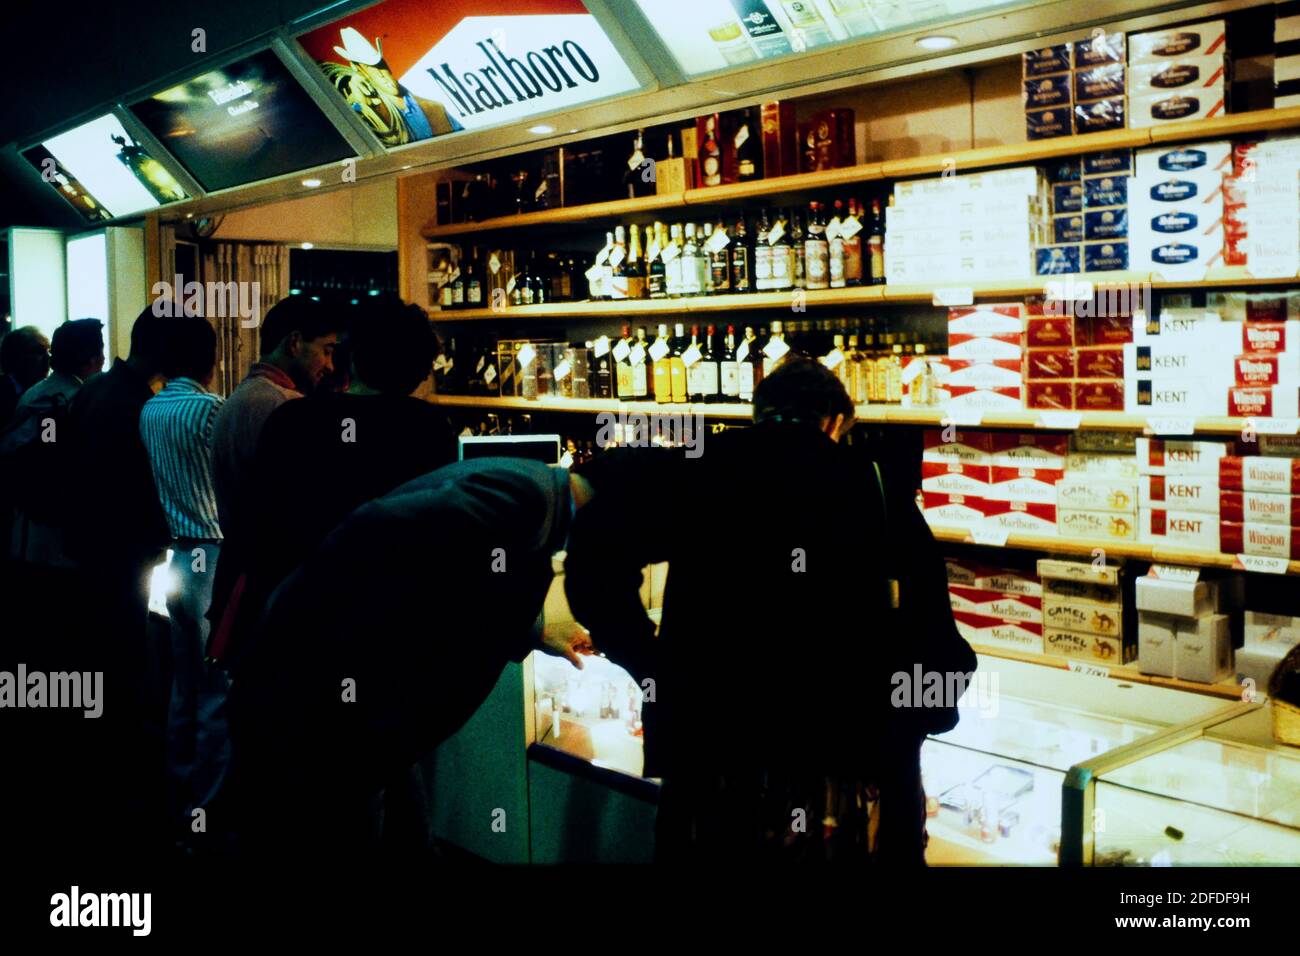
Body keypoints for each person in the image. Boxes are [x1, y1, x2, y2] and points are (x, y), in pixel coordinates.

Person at [563, 357, 977, 863]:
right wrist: (920, 717)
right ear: (835, 421)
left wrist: (648, 659)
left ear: (758, 413)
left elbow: (593, 556)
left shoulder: (700, 464)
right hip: (837, 756)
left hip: (710, 748)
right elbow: (932, 629)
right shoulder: (875, 484)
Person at [226, 458, 595, 856]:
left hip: (363, 712)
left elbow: (451, 588)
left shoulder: (531, 497)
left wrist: (534, 630)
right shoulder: (520, 502)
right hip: (332, 714)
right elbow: (373, 530)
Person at [210, 296, 455, 667]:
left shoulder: (294, 419)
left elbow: (257, 527)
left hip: (296, 617)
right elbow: (437, 538)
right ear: (421, 370)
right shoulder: (429, 430)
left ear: (354, 355)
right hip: (384, 623)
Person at [138, 317, 229, 847]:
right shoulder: (211, 409)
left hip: (176, 558)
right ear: (209, 356)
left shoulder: (150, 410)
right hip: (214, 556)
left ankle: (178, 799)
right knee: (218, 688)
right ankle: (207, 813)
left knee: (184, 686)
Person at [208, 297, 341, 631]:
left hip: (243, 579)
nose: (330, 365)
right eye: (326, 350)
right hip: (280, 588)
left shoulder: (235, 400)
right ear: (295, 343)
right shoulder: (287, 408)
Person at [64, 310, 173, 714]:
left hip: (88, 545)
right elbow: (141, 486)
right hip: (124, 550)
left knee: (97, 651)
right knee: (124, 652)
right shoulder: (138, 404)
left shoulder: (93, 390)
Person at [0, 318, 104, 567]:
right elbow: (50, 451)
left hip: (29, 527)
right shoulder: (61, 400)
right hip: (52, 530)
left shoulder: (35, 394)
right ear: (92, 359)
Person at [0, 325, 51, 427]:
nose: (48, 357)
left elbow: (48, 437)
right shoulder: (2, 391)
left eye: (48, 351)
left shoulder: (47, 391)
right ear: (16, 356)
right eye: (39, 351)